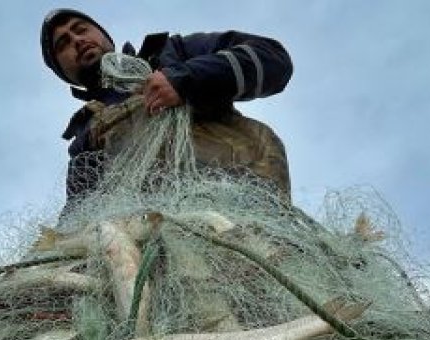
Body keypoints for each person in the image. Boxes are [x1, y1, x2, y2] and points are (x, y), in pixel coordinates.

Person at [41, 9, 294, 204]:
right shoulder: (85, 138)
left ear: (104, 36)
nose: (76, 40)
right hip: (149, 244)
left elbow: (273, 59)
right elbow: (77, 218)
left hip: (242, 206)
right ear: (63, 72)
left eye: (81, 29)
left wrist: (185, 80)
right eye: (62, 43)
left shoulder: (174, 53)